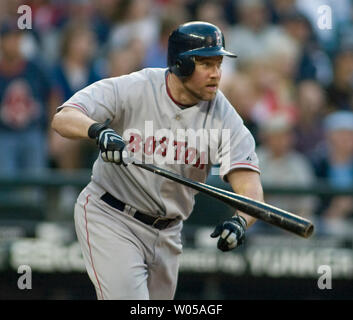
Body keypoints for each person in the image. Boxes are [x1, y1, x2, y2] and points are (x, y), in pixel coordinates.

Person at [51, 21, 264, 300]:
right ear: (181, 64)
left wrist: (240, 221)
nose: (216, 74)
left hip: (168, 231)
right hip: (111, 215)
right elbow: (63, 117)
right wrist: (99, 131)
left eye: (219, 64)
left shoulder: (224, 116)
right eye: (206, 64)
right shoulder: (137, 87)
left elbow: (251, 192)